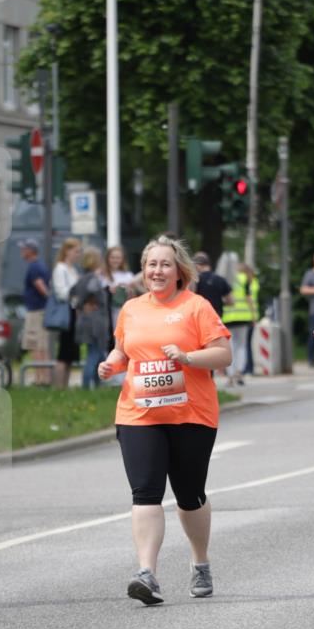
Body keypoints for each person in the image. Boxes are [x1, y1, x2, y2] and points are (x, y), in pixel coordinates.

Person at [98, 235, 232, 606]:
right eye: (151, 265)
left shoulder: (196, 306)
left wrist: (187, 357)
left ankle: (200, 562)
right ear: (143, 271)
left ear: (179, 272)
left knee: (189, 495)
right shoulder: (131, 309)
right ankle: (147, 573)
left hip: (191, 413)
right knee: (145, 492)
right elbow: (123, 350)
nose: (157, 271)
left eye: (165, 265)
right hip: (138, 413)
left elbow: (223, 355)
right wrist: (111, 364)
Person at [70, 247, 110, 389]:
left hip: (85, 320)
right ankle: (86, 386)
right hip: (95, 322)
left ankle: (97, 385)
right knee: (94, 354)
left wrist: (79, 305)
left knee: (97, 354)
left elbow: (72, 295)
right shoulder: (93, 278)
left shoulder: (81, 279)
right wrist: (88, 301)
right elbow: (92, 290)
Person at [20, 238, 51, 386]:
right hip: (41, 311)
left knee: (36, 345)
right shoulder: (41, 265)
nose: (22, 251)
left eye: (24, 249)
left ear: (30, 251)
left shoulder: (34, 267)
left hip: (35, 311)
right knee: (42, 345)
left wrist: (49, 299)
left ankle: (40, 379)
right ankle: (44, 377)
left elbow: (41, 286)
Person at [52, 238, 81, 388]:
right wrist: (75, 290)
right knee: (63, 352)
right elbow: (61, 293)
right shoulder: (60, 269)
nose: (78, 255)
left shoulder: (72, 269)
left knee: (70, 353)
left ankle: (65, 385)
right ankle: (59, 386)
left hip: (74, 311)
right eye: (76, 251)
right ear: (67, 251)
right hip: (67, 312)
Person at [222, 261, 256, 385]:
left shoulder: (226, 279)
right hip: (243, 317)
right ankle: (239, 373)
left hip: (228, 318)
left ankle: (230, 375)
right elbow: (249, 298)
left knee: (230, 347)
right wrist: (253, 316)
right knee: (242, 346)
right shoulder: (245, 279)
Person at [192, 251, 233, 318]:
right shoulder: (221, 279)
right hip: (217, 316)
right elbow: (231, 301)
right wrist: (219, 302)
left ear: (197, 265)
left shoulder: (195, 280)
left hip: (200, 316)